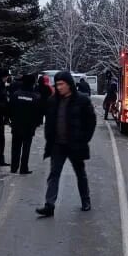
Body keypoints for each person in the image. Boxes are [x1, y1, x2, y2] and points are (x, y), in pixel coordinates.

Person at [36, 71, 96, 217]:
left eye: (62, 84)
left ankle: (85, 200)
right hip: (58, 145)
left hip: (75, 144)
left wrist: (84, 139)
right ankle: (49, 205)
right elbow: (49, 122)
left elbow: (91, 121)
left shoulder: (82, 100)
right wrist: (49, 138)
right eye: (57, 84)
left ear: (69, 84)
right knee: (54, 174)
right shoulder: (53, 101)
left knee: (80, 174)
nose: (59, 87)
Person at [9, 74, 44, 174]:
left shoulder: (16, 94)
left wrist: (11, 120)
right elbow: (39, 112)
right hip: (29, 127)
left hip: (16, 125)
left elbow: (10, 108)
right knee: (26, 148)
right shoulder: (35, 97)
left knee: (15, 147)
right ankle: (23, 168)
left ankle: (14, 167)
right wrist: (36, 124)